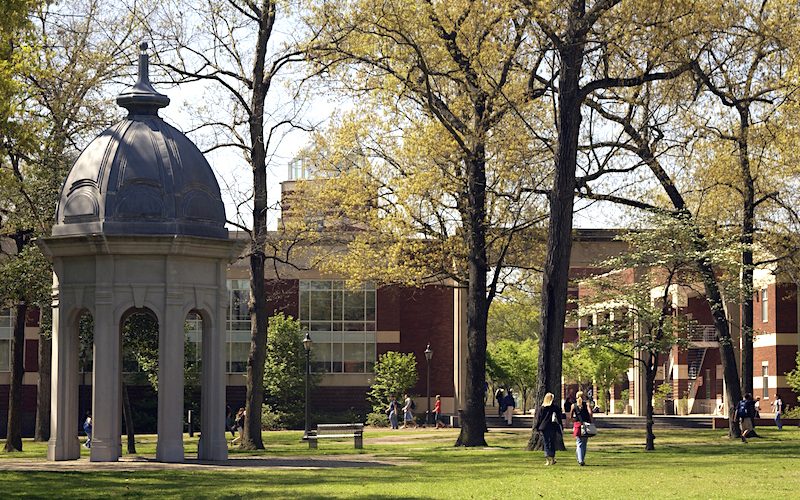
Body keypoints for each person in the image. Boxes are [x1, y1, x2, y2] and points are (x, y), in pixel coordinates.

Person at [535, 392, 562, 466]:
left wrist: (537, 427)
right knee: (552, 443)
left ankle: (547, 460)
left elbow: (539, 418)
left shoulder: (542, 408)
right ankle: (552, 458)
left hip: (544, 427)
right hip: (552, 426)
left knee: (546, 443)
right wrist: (560, 425)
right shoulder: (555, 407)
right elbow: (559, 417)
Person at [571, 390, 593, 466]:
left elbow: (571, 416)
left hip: (577, 425)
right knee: (584, 443)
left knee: (579, 443)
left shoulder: (574, 405)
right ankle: (581, 459)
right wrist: (590, 420)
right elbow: (590, 413)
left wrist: (574, 421)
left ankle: (580, 459)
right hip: (586, 425)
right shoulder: (586, 404)